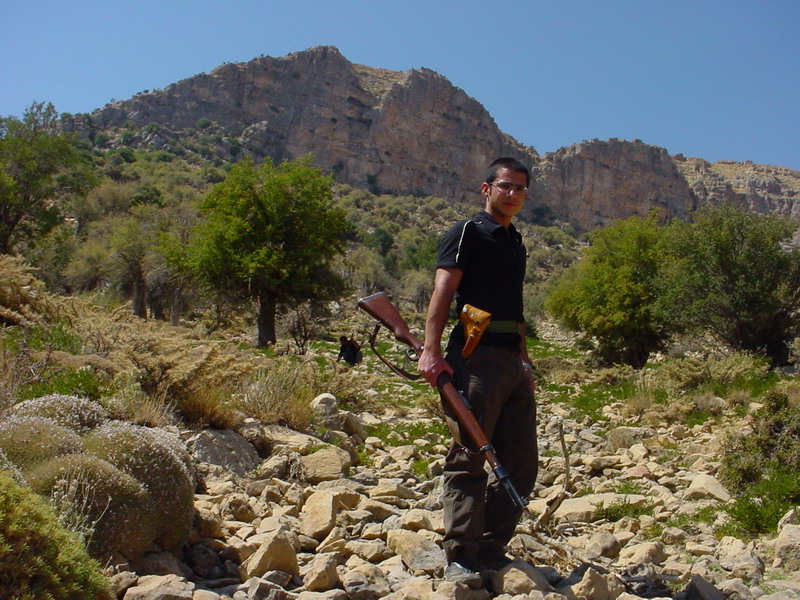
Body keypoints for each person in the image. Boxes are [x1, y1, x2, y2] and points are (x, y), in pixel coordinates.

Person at [418, 157, 538, 585]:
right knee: (470, 455)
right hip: (475, 356)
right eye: (506, 186)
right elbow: (443, 289)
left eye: (520, 188)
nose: (513, 194)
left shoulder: (516, 242)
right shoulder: (467, 231)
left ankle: (490, 549)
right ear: (487, 188)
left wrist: (525, 362)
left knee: (521, 463)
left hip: (511, 361)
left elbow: (515, 310)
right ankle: (461, 555)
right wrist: (430, 351)